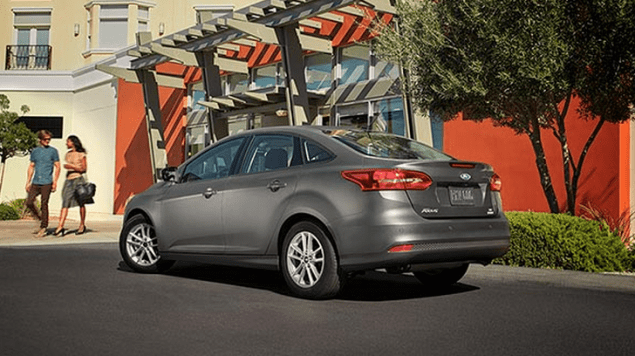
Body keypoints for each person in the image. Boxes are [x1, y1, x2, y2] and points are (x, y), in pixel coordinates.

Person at [25, 130, 61, 238]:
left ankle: (43, 227)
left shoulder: (53, 151)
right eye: (45, 139)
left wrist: (55, 182)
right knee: (29, 202)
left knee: (44, 204)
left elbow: (58, 166)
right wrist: (28, 181)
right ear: (40, 140)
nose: (47, 141)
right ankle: (41, 219)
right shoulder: (35, 151)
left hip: (47, 182)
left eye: (49, 139)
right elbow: (31, 166)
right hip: (36, 181)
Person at [54, 135, 89, 236]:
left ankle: (82, 224)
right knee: (65, 202)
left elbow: (84, 169)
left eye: (68, 141)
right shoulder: (67, 154)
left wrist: (72, 167)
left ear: (73, 142)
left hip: (78, 180)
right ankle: (60, 226)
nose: (66, 143)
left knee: (81, 203)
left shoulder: (81, 154)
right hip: (68, 180)